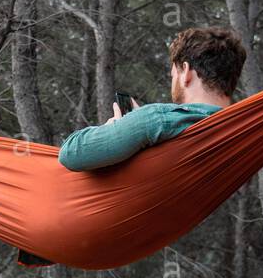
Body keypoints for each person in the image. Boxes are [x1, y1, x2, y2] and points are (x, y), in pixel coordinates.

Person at [58, 26, 247, 171]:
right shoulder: (242, 131)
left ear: (186, 72)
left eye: (173, 73)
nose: (172, 79)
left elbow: (70, 153)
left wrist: (115, 125)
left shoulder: (156, 120)